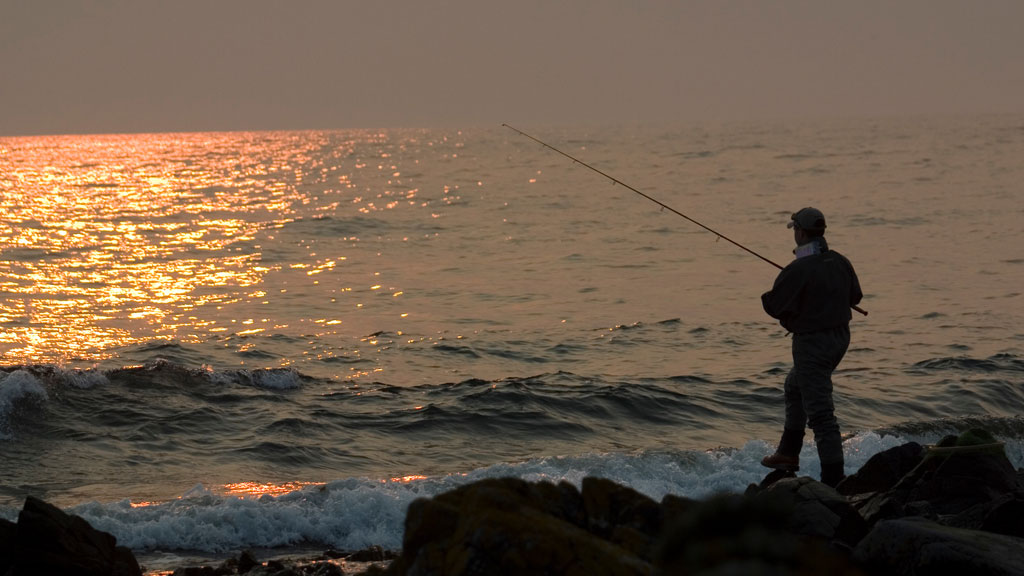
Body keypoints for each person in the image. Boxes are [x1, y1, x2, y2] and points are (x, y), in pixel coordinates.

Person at [760, 207, 863, 488]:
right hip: (840, 340)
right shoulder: (840, 261)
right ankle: (788, 454)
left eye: (795, 229)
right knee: (795, 386)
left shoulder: (798, 269)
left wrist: (771, 296)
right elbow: (856, 295)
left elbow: (774, 305)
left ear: (801, 233)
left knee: (820, 413)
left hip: (811, 345)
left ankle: (833, 479)